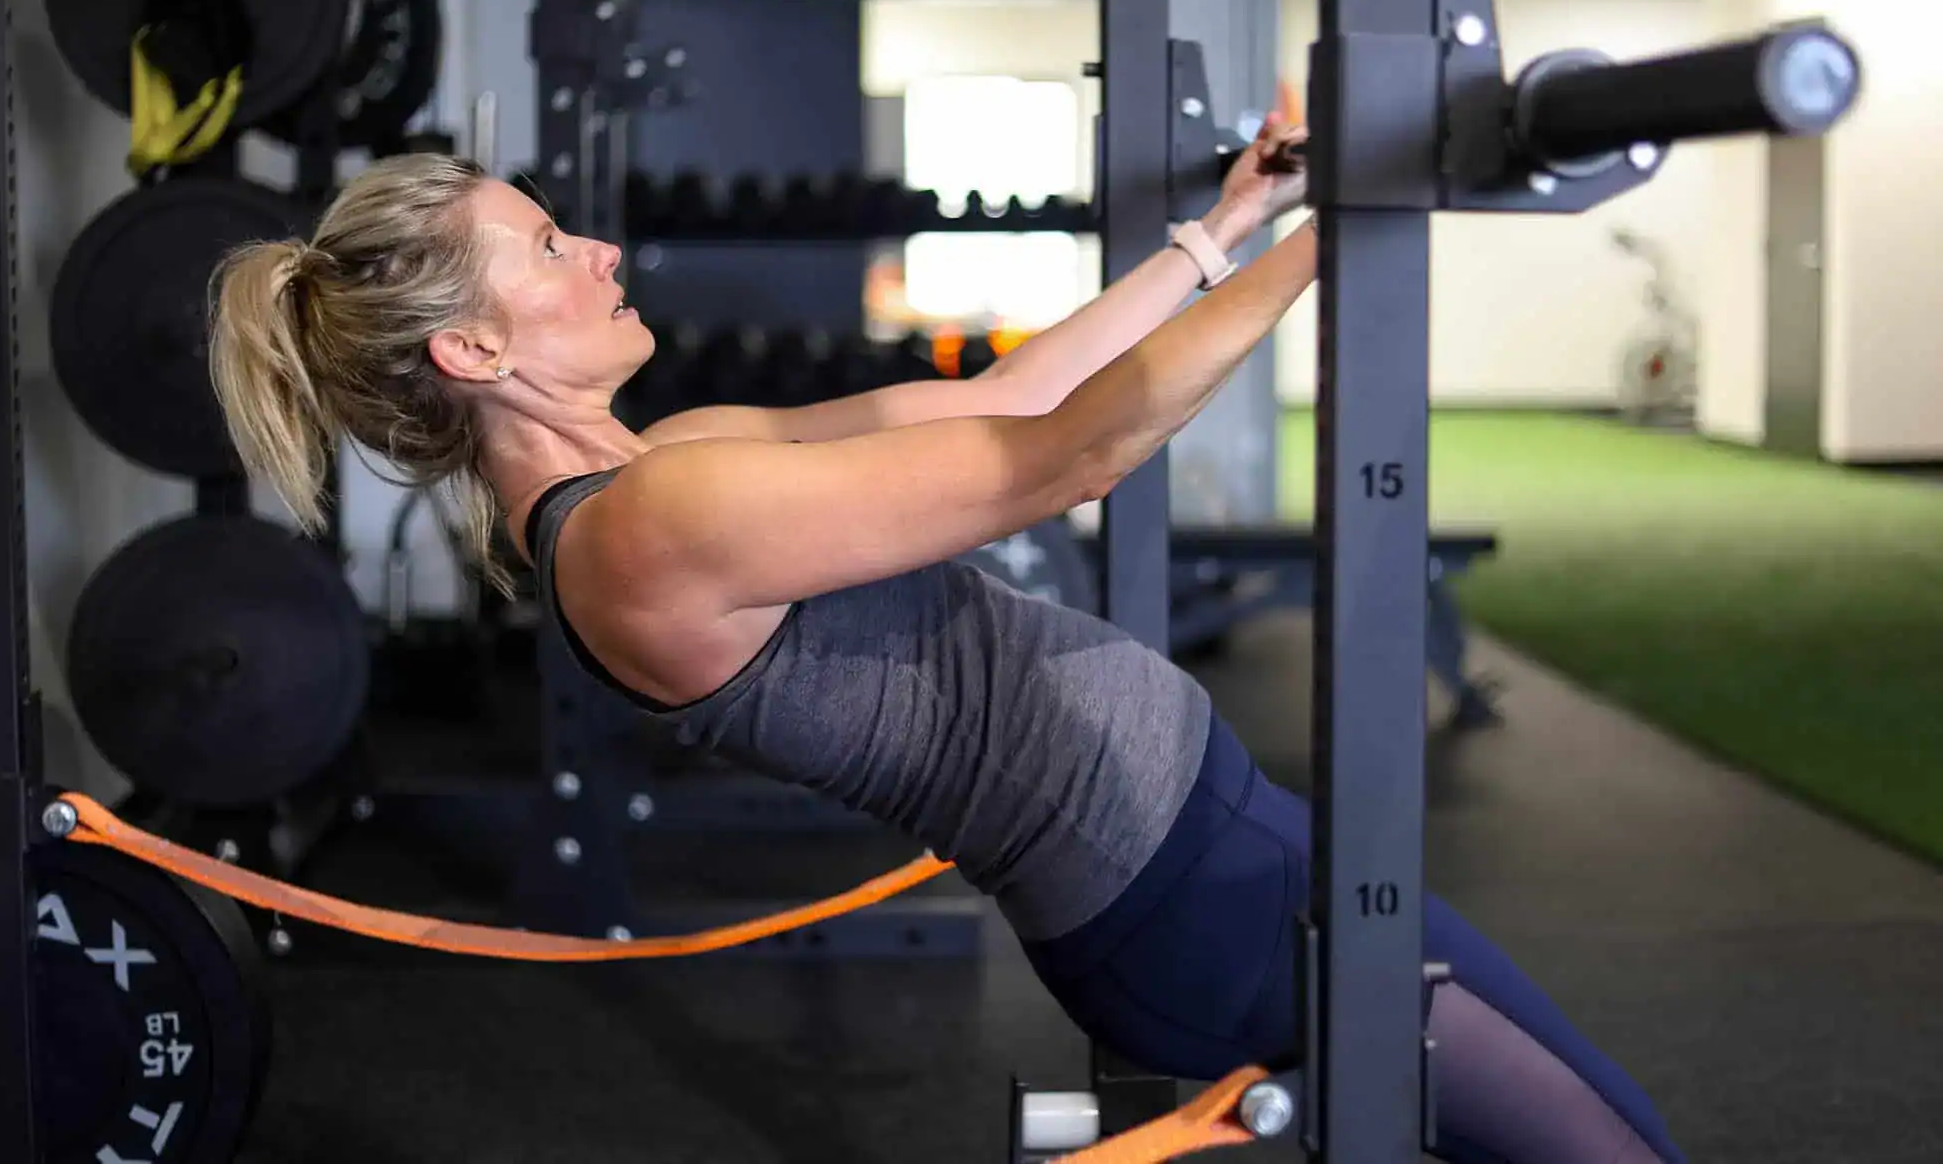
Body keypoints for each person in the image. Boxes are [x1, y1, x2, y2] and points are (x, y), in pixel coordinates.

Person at [207, 118, 1684, 1164]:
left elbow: (1036, 391)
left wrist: (1230, 228)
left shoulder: (680, 459)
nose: (595, 247)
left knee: (1597, 1128)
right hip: (1191, 898)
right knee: (1610, 1147)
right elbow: (1069, 460)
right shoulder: (646, 533)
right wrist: (1350, 229)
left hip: (1207, 854)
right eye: (544, 244)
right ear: (474, 350)